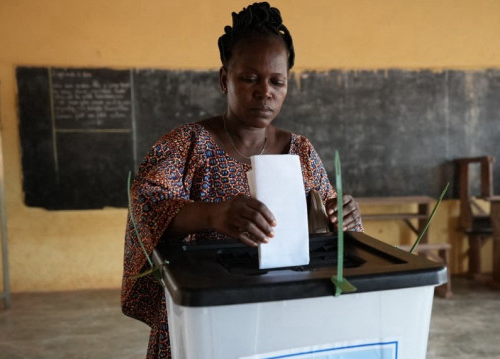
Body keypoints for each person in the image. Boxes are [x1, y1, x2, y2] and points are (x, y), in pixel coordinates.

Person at [121, 2, 363, 358]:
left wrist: (343, 220)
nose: (264, 91)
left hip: (280, 309)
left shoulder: (300, 151)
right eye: (250, 78)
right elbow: (145, 206)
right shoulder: (186, 145)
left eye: (277, 81)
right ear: (225, 79)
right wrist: (213, 214)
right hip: (202, 310)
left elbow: (324, 228)